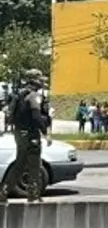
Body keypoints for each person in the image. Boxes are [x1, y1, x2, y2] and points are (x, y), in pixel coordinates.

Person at [2, 69, 50, 202]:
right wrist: (45, 132)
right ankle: (33, 195)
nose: (42, 83)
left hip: (19, 133)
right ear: (35, 80)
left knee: (20, 164)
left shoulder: (20, 94)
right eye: (40, 80)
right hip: (31, 134)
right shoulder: (33, 96)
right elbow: (36, 116)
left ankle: (3, 191)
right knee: (34, 163)